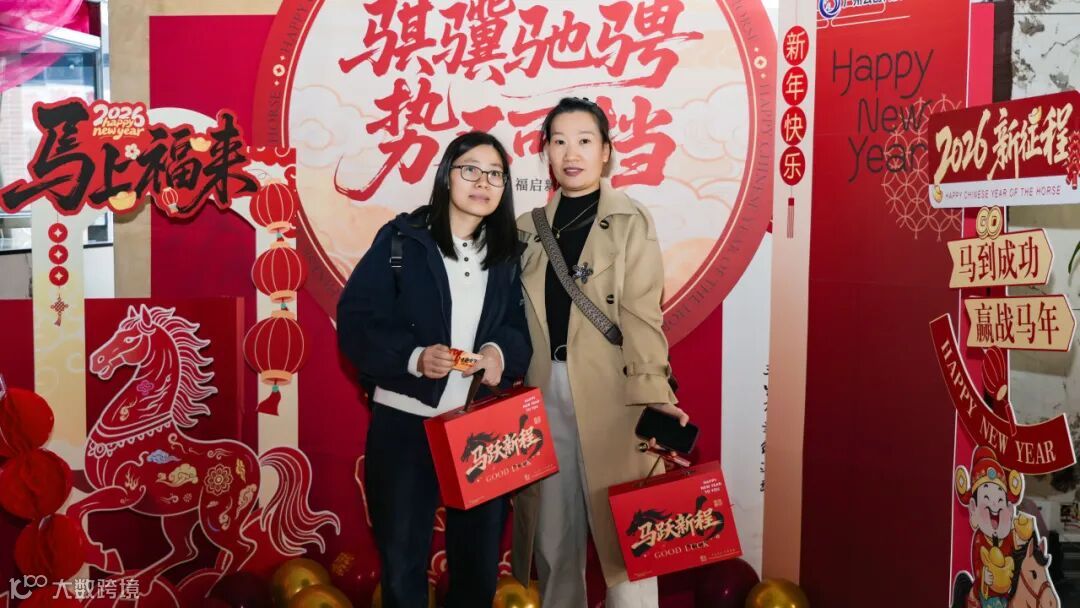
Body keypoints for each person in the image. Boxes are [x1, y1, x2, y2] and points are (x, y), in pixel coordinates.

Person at [338, 132, 532, 608]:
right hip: (405, 423)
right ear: (447, 176)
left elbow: (521, 327)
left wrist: (497, 354)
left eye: (495, 175)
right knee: (402, 565)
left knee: (477, 568)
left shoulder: (508, 254)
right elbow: (357, 320)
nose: (482, 183)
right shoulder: (402, 239)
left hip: (480, 428)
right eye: (470, 170)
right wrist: (414, 357)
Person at [511, 97, 689, 607]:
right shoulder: (525, 228)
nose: (572, 153)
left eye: (585, 141)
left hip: (615, 392)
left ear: (606, 151)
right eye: (559, 141)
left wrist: (654, 392)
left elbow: (641, 313)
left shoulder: (630, 219)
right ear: (545, 152)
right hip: (542, 394)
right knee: (553, 539)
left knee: (629, 537)